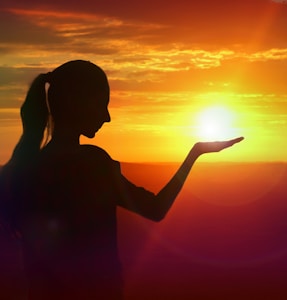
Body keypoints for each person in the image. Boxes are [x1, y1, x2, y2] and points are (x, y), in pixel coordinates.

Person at [0, 60, 243, 299]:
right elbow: (156, 209)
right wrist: (195, 154)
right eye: (101, 104)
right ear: (78, 104)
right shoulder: (93, 164)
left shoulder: (26, 169)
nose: (107, 117)